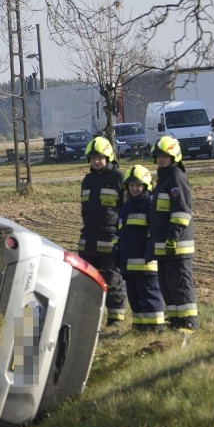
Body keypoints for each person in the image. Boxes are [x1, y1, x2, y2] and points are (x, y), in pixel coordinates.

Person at [149, 136, 199, 330]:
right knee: (167, 286)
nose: (161, 160)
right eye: (159, 156)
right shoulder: (163, 179)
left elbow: (182, 211)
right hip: (164, 246)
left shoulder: (177, 177)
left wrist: (172, 237)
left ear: (175, 157)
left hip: (177, 245)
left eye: (165, 156)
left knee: (181, 284)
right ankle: (176, 320)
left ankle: (189, 323)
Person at [79, 136, 127, 325]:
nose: (96, 161)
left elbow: (126, 209)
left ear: (109, 157)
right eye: (93, 158)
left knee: (112, 278)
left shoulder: (118, 178)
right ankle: (92, 318)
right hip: (88, 238)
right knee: (88, 280)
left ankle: (115, 318)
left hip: (110, 239)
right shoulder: (88, 180)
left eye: (100, 157)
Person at [118, 165, 165, 332]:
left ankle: (156, 328)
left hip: (146, 264)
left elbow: (154, 232)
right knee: (135, 298)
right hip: (129, 264)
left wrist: (150, 253)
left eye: (138, 185)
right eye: (131, 185)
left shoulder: (149, 204)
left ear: (146, 186)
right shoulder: (126, 206)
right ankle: (139, 328)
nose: (134, 189)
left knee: (150, 296)